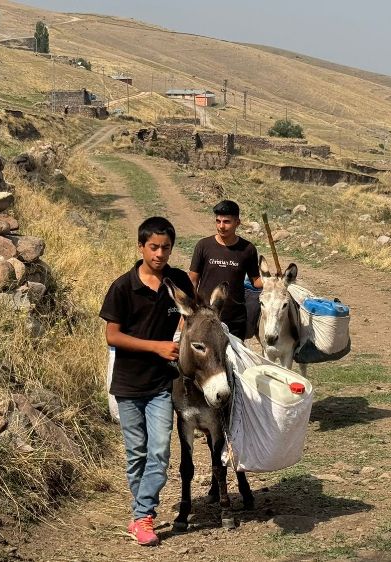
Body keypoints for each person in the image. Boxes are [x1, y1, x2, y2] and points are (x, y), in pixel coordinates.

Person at [100, 216, 193, 547]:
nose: (160, 254)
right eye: (153, 247)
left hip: (161, 385)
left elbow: (191, 316)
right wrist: (156, 347)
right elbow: (113, 336)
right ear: (141, 247)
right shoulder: (123, 287)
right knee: (136, 453)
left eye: (166, 248)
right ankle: (140, 513)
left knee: (159, 451)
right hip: (127, 384)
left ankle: (143, 516)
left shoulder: (178, 281)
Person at [189, 200, 262, 340]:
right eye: (218, 221)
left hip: (235, 319)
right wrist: (190, 311)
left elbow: (256, 281)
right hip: (206, 317)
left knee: (234, 360)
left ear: (237, 223)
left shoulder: (248, 249)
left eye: (226, 222)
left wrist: (274, 280)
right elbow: (192, 280)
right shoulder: (203, 246)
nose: (221, 226)